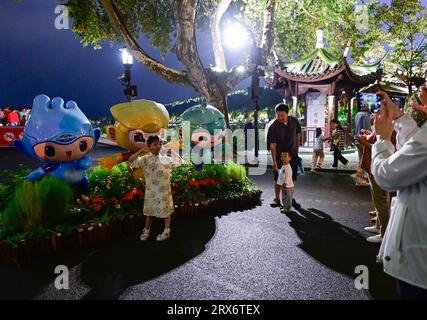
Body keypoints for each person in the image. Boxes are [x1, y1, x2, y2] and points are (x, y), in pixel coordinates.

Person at [372, 86, 427, 299]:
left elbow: (387, 176)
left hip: (418, 263)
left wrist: (383, 139)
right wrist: (401, 118)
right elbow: (413, 153)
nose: (423, 86)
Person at [129, 135, 184, 242]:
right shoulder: (144, 160)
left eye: (160, 144)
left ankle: (167, 231)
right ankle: (146, 231)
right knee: (149, 213)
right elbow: (131, 161)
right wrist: (141, 151)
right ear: (149, 147)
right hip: (151, 192)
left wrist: (171, 149)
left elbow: (180, 161)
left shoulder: (166, 159)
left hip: (164, 193)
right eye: (155, 144)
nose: (158, 146)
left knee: (166, 212)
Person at [356, 129, 392, 244]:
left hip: (378, 168)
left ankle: (384, 233)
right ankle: (379, 226)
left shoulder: (390, 129)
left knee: (380, 201)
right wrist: (368, 135)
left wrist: (364, 142)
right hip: (374, 167)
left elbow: (385, 150)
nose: (375, 116)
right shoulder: (384, 128)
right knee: (378, 200)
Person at [267, 103, 301, 208]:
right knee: (278, 179)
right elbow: (273, 146)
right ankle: (277, 199)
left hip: (293, 155)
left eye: (282, 115)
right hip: (280, 157)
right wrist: (274, 162)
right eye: (278, 115)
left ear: (287, 113)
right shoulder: (273, 126)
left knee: (291, 178)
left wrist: (297, 151)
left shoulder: (294, 121)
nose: (280, 117)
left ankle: (290, 198)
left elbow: (298, 135)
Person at [354, 105, 372, 186]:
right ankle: (362, 179)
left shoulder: (358, 114)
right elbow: (367, 129)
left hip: (358, 139)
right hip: (363, 140)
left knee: (361, 160)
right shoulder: (365, 115)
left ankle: (359, 180)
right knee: (366, 160)